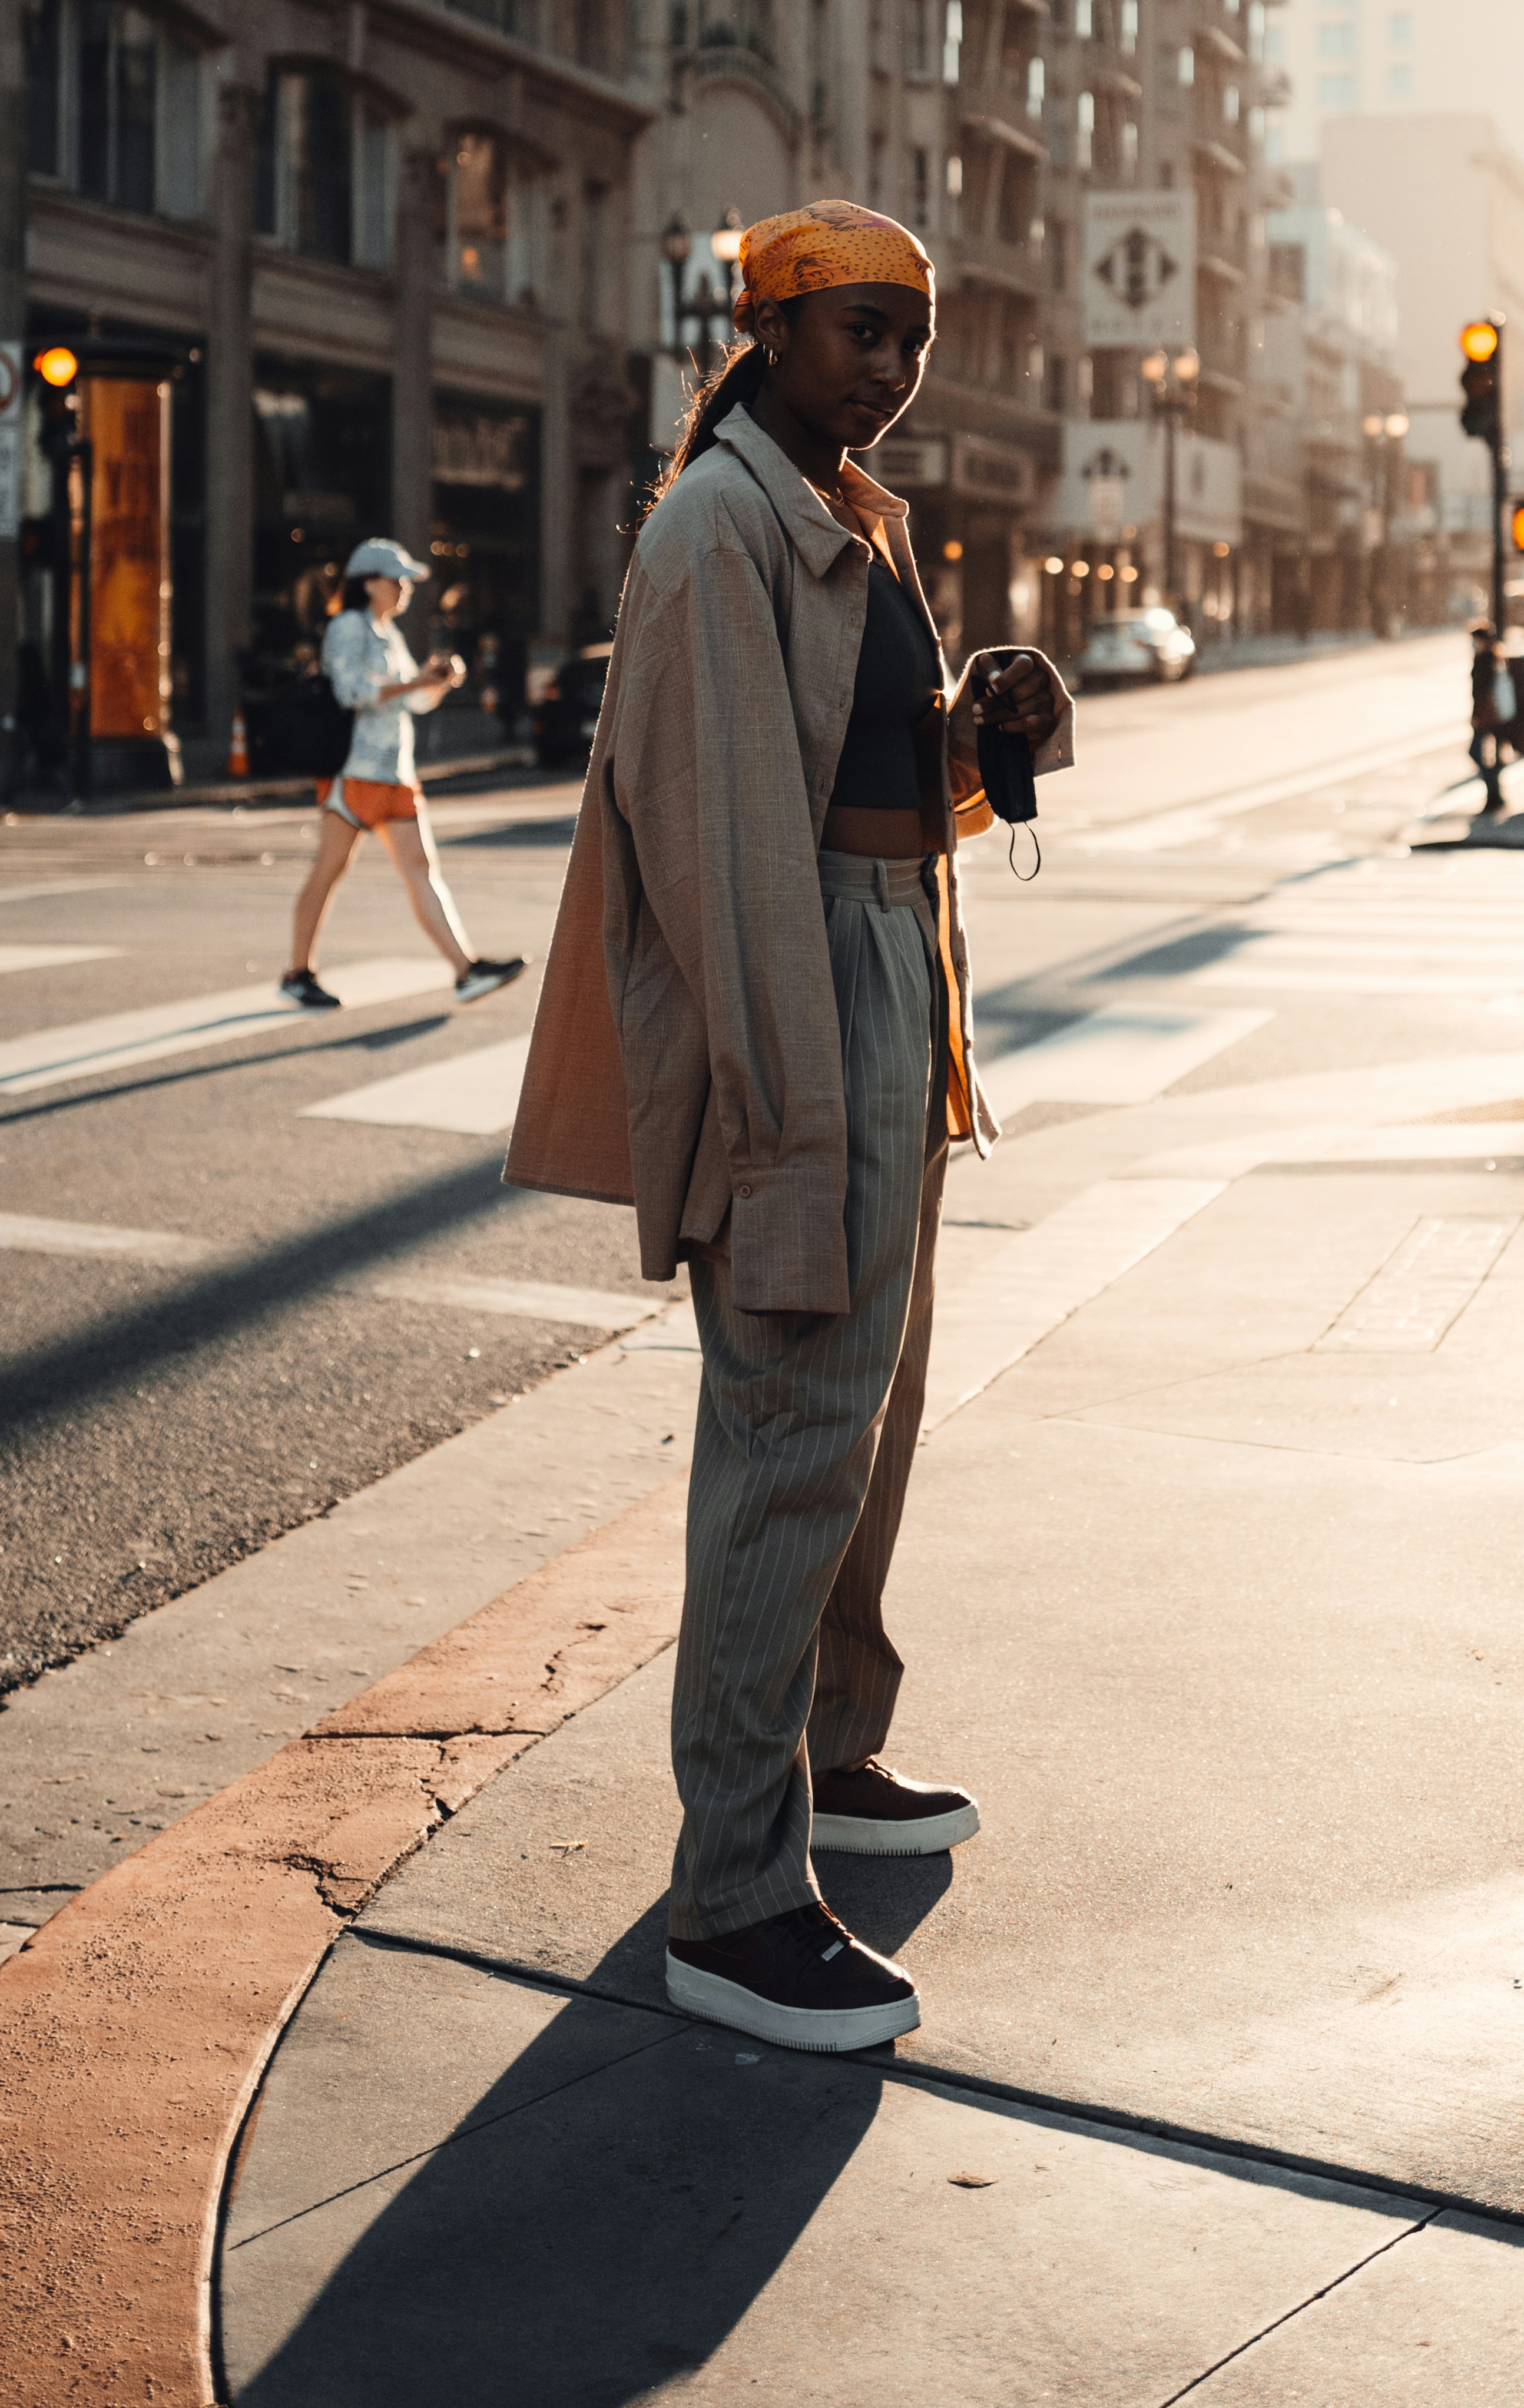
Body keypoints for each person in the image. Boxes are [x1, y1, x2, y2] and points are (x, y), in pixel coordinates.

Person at [506, 200, 1072, 2059]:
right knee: (784, 1435)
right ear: (768, 330)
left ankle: (828, 1752)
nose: (893, 369)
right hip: (801, 1022)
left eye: (912, 334)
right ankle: (733, 1896)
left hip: (886, 983)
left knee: (863, 1421)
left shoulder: (842, 511)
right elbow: (734, 867)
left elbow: (871, 807)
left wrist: (984, 744)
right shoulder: (716, 528)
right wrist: (775, 1137)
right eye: (858, 332)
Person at [278, 538, 524, 1010]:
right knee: (329, 870)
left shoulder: (386, 630)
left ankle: (466, 969)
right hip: (354, 773)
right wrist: (416, 680)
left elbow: (412, 700)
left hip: (395, 774)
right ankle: (298, 972)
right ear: (369, 583)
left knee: (421, 871)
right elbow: (350, 692)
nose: (406, 588)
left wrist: (435, 681)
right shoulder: (349, 627)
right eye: (398, 580)